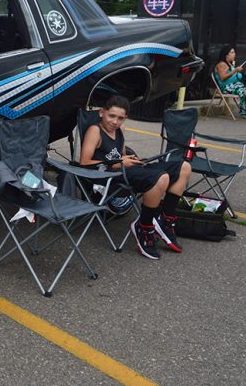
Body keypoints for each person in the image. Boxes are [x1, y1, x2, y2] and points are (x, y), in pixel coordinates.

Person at [80, 95, 192, 259]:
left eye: (120, 118)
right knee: (161, 178)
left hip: (125, 170)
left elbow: (122, 154)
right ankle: (144, 227)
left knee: (184, 167)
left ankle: (166, 220)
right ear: (102, 113)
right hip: (108, 177)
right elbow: (84, 162)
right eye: (111, 116)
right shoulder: (95, 131)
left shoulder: (120, 130)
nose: (115, 122)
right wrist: (119, 162)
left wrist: (134, 161)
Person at [214, 44, 246, 117]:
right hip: (226, 87)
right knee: (244, 92)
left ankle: (244, 110)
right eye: (232, 52)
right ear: (226, 55)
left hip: (235, 86)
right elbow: (222, 77)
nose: (234, 54)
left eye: (234, 52)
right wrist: (235, 71)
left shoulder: (230, 64)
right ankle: (244, 112)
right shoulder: (221, 64)